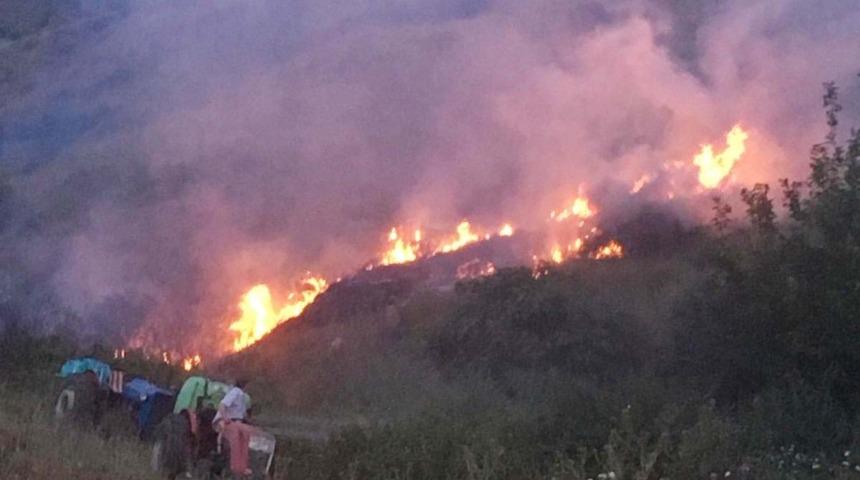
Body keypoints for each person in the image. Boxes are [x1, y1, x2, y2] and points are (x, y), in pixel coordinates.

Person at [213, 378, 255, 476]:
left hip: (236, 422)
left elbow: (243, 414)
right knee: (236, 435)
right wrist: (225, 418)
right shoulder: (235, 392)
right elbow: (222, 405)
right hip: (226, 421)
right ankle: (235, 466)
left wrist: (252, 423)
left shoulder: (242, 396)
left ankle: (242, 466)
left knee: (246, 433)